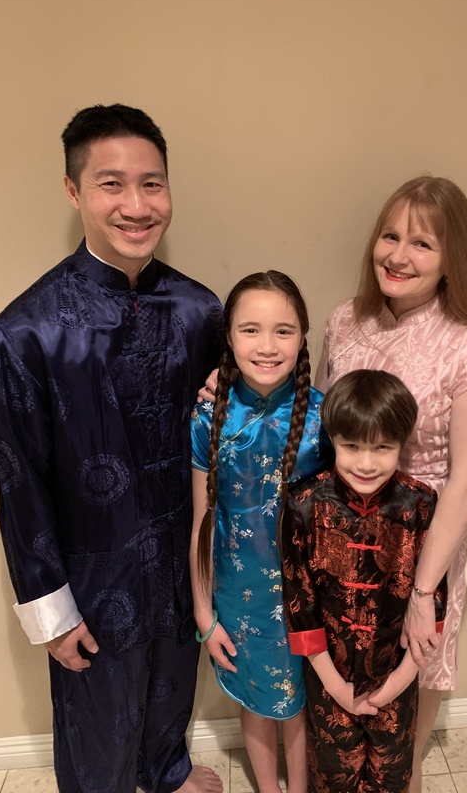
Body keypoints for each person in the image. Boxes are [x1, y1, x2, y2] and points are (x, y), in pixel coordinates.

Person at [0, 104, 224, 793]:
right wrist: (51, 613)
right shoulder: (25, 332)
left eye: (152, 184)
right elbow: (17, 481)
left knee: (172, 688)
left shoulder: (202, 312)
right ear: (74, 191)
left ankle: (167, 771)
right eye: (112, 184)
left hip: (182, 561)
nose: (137, 205)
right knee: (95, 724)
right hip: (93, 577)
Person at [314, 175, 467, 791]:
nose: (398, 256)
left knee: (404, 710)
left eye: (422, 243)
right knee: (338, 694)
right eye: (390, 236)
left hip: (421, 545)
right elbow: (318, 419)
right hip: (338, 533)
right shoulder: (345, 321)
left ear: (453, 259)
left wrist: (424, 591)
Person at [190, 271, 332, 793]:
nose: (267, 346)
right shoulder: (209, 416)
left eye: (283, 331)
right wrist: (203, 613)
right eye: (250, 330)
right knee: (257, 701)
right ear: (229, 337)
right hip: (239, 597)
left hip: (308, 595)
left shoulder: (324, 417)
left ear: (303, 337)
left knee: (299, 700)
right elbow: (201, 522)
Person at [281, 369, 447, 793]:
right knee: (332, 776)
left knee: (391, 777)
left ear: (402, 443)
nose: (367, 463)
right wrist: (335, 686)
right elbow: (299, 604)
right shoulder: (303, 504)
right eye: (352, 446)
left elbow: (434, 603)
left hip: (397, 675)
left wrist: (397, 683)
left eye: (383, 447)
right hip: (328, 677)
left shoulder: (421, 505)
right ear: (333, 439)